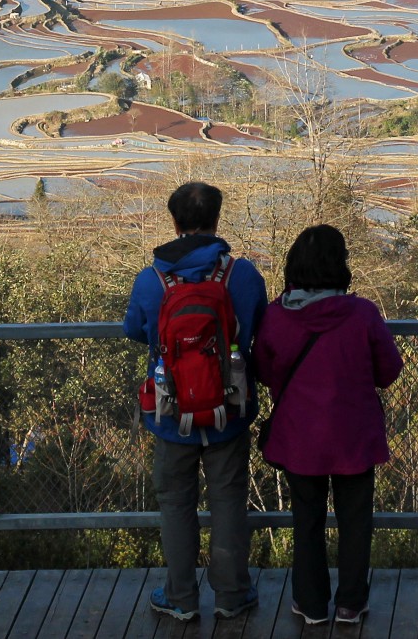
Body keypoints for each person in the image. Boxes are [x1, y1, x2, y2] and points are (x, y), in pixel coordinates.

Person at [123, 180, 268, 623]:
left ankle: (180, 597)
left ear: (174, 222)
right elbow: (257, 326)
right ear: (217, 219)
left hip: (169, 411)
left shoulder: (152, 279)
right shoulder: (241, 275)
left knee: (176, 503)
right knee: (227, 500)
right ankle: (231, 594)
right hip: (230, 408)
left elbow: (134, 330)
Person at [254, 224, 403, 626]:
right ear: (341, 265)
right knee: (356, 522)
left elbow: (265, 372)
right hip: (354, 437)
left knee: (307, 522)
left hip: (299, 439)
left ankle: (311, 603)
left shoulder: (275, 316)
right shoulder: (362, 314)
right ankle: (351, 603)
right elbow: (388, 371)